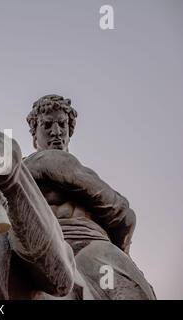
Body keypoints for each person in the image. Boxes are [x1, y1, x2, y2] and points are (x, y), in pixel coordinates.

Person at [23, 94, 156, 299]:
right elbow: (123, 214)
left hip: (82, 246)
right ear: (34, 135)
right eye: (47, 125)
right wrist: (122, 253)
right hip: (75, 249)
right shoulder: (28, 167)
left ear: (70, 132)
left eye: (62, 124)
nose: (56, 132)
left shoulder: (19, 171)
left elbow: (121, 213)